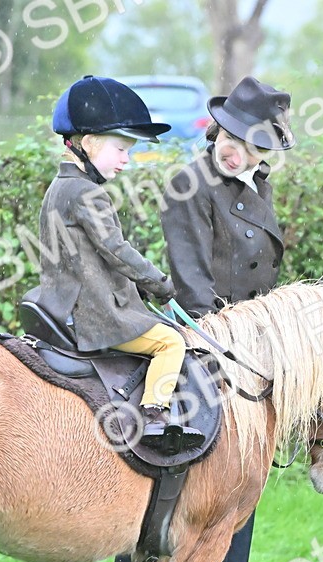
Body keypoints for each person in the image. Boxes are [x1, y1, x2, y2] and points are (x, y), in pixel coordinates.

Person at [107, 76, 297, 562]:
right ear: (218, 126)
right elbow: (190, 278)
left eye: (253, 143)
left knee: (240, 485)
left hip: (249, 348)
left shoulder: (256, 186)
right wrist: (224, 341)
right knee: (176, 467)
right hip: (198, 335)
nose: (238, 149)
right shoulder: (189, 182)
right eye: (234, 136)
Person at [29, 75, 202, 451]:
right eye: (120, 148)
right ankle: (154, 418)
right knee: (171, 342)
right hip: (95, 312)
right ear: (88, 144)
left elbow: (90, 254)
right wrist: (161, 285)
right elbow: (116, 249)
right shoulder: (88, 192)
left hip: (65, 301)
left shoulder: (60, 187)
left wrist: (137, 284)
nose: (127, 159)